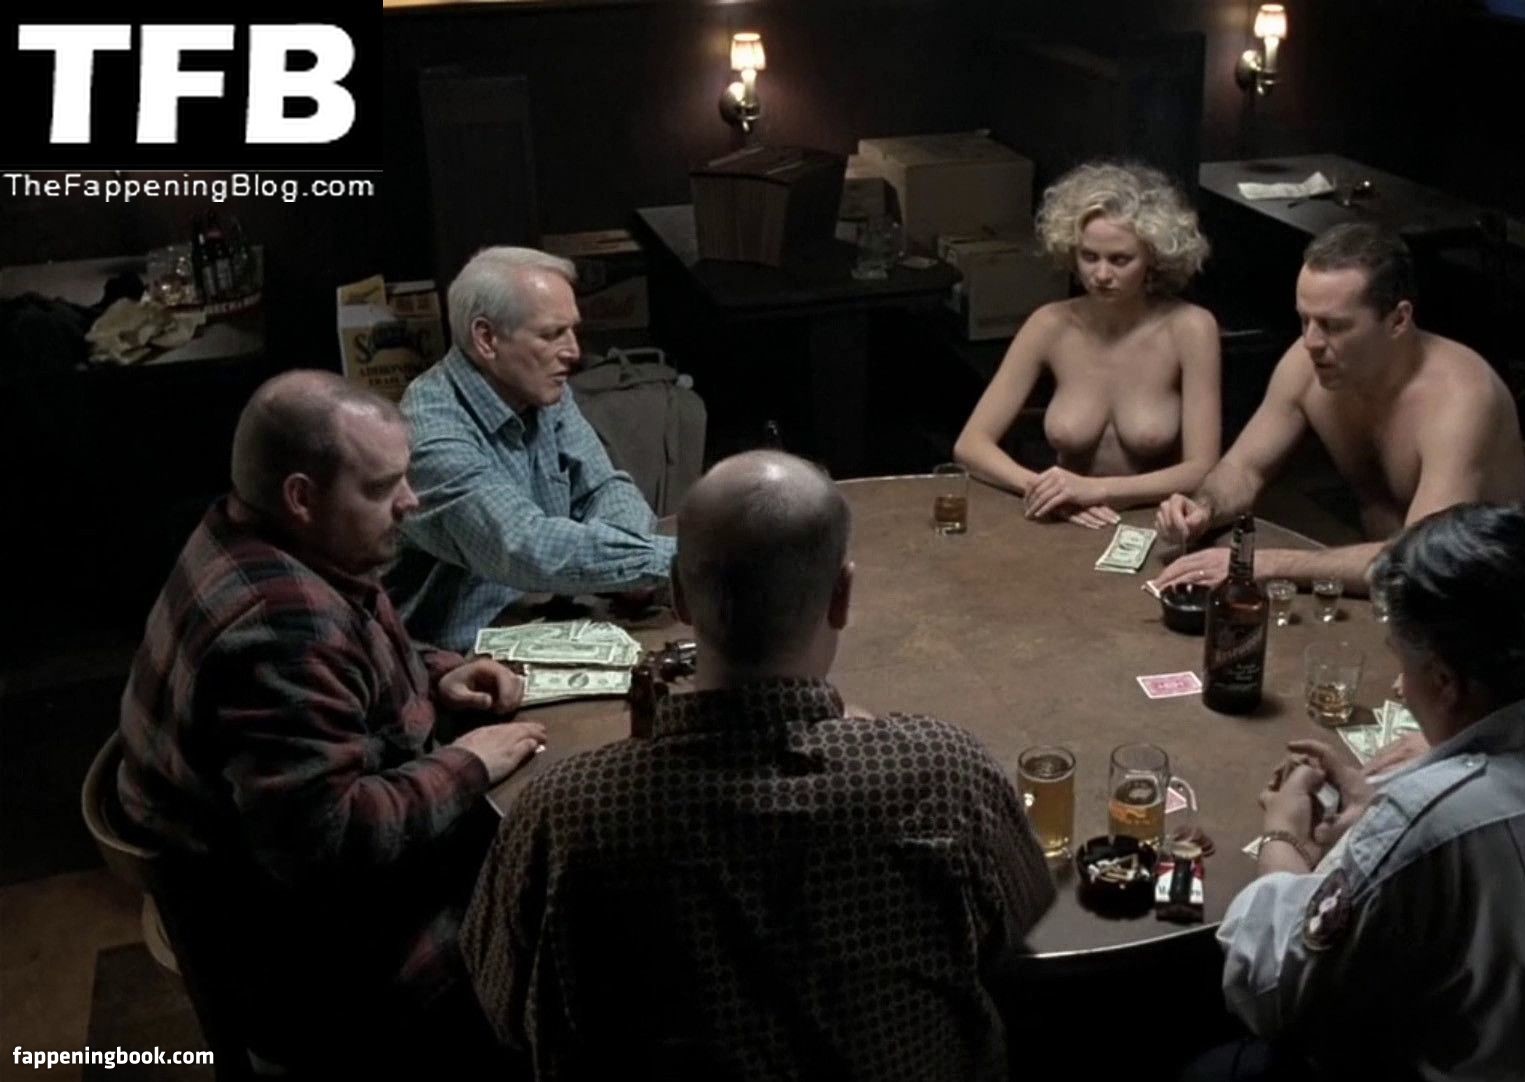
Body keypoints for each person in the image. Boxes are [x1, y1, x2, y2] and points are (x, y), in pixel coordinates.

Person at [461, 451, 1055, 1081]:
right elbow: (1020, 929)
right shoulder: (944, 772)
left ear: (679, 596)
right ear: (842, 596)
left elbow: (504, 1007)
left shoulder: (564, 813)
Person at [1194, 503, 1525, 1081]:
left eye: (1403, 665)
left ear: (1445, 682)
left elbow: (1274, 993)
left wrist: (1283, 838)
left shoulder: (1436, 825)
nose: (1400, 687)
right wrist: (1380, 821)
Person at [117, 370, 547, 1072]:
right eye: (382, 487)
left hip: (284, 893)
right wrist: (470, 762)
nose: (410, 501)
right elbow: (328, 841)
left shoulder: (258, 534)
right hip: (310, 962)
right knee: (565, 923)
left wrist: (438, 672)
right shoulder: (282, 627)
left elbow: (351, 654)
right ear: (301, 497)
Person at [1151, 223, 1522, 592]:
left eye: (1334, 326)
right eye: (1304, 319)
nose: (1311, 342)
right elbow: (1244, 469)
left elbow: (1423, 559)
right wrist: (1204, 508)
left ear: (1398, 320)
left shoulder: (1460, 399)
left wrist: (1266, 563)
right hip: (1388, 590)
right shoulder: (1306, 365)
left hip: (1477, 602)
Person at [386, 246, 676, 650]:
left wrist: (624, 569)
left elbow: (604, 486)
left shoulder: (540, 391)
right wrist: (673, 562)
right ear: (486, 339)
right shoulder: (429, 431)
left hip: (544, 619)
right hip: (457, 658)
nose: (574, 352)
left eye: (572, 330)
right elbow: (525, 545)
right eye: (551, 334)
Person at [954, 161, 1220, 528]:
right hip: (1067, 521)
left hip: (1155, 524)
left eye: (1120, 260)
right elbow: (970, 445)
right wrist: (1046, 489)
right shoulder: (1049, 325)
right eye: (1089, 257)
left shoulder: (1190, 328)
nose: (1102, 274)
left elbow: (1203, 469)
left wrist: (1100, 490)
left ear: (1153, 257)